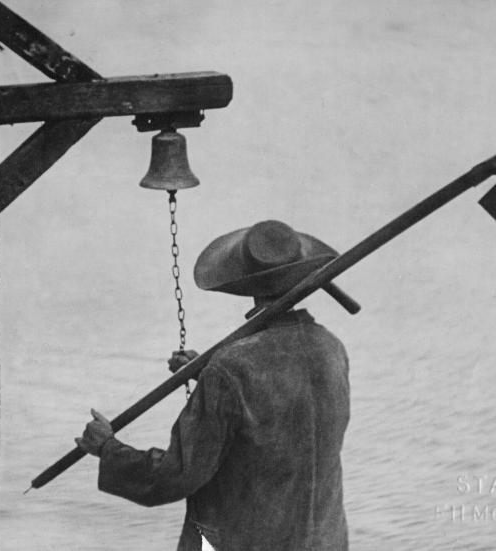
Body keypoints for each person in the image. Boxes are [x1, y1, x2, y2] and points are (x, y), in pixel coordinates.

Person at [76, 220, 351, 551]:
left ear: (248, 284)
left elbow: (177, 474)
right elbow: (277, 404)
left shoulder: (231, 368)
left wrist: (108, 448)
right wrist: (208, 374)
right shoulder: (331, 348)